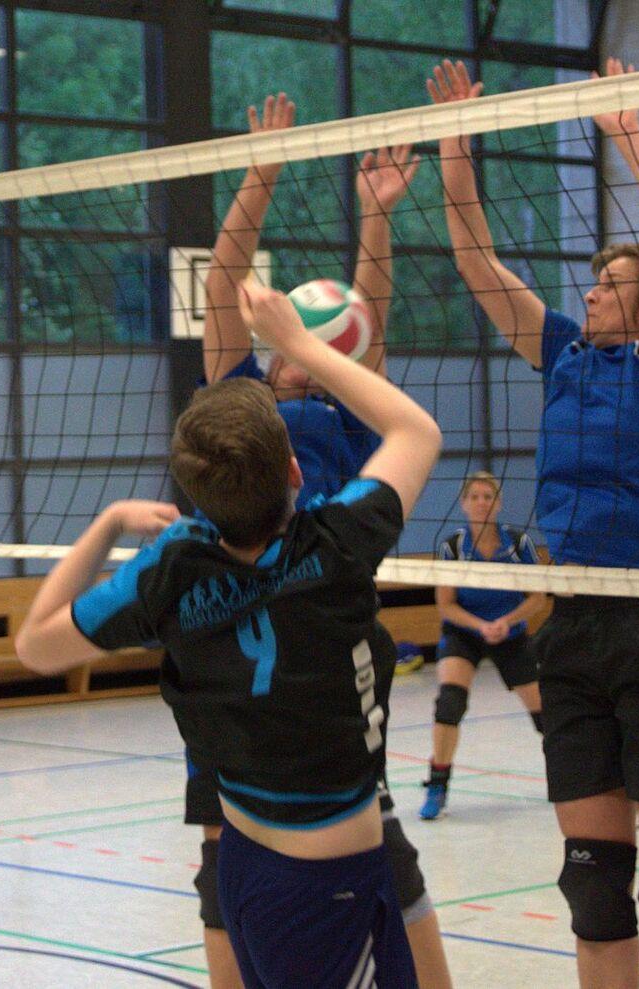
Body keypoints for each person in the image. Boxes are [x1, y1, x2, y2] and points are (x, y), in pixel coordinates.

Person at [15, 280, 442, 988]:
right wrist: (304, 345)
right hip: (326, 881)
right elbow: (416, 431)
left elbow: (34, 644)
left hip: (250, 859)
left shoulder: (168, 572)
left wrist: (110, 521)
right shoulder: (338, 543)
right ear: (298, 472)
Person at [432, 57, 639, 988]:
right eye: (593, 280)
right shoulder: (563, 354)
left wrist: (629, 133)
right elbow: (476, 264)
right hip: (574, 625)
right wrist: (456, 144)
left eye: (609, 282)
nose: (592, 289)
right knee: (593, 883)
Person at [192, 93, 451, 989]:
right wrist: (260, 170)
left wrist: (378, 216)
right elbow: (225, 277)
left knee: (373, 847)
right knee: (225, 854)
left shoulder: (343, 408)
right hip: (231, 641)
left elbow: (367, 315)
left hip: (328, 634)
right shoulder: (242, 402)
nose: (297, 352)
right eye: (286, 341)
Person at [419, 470, 546, 820]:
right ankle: (438, 784)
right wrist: (482, 626)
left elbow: (537, 598)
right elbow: (446, 604)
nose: (480, 502)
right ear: (463, 504)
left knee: (545, 714)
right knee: (449, 703)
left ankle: (572, 777)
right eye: (473, 497)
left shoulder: (519, 545)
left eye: (487, 496)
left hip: (511, 631)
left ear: (498, 503)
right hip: (466, 631)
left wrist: (506, 622)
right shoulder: (453, 547)